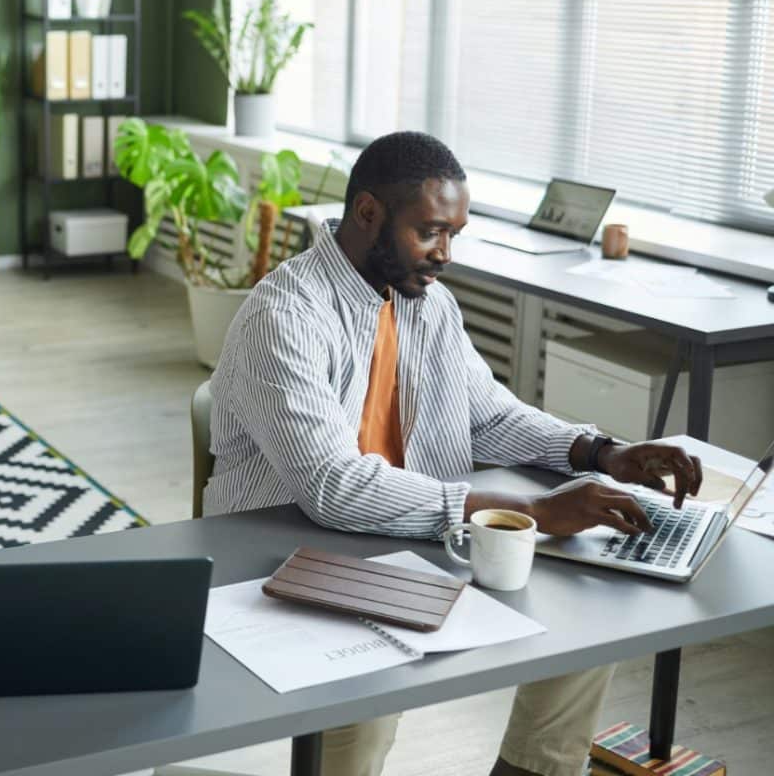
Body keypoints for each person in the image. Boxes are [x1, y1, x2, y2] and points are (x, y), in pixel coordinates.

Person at [205, 131, 702, 776]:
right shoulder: (285, 313)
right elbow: (332, 485)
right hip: (290, 550)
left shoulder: (427, 305)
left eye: (454, 235)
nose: (445, 254)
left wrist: (601, 452)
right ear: (367, 215)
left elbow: (488, 416)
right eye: (431, 232)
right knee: (369, 697)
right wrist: (531, 510)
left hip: (410, 540)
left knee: (592, 621)